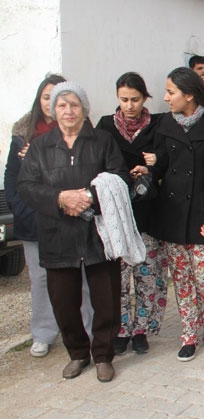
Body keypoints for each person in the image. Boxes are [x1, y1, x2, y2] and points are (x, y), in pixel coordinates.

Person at [17, 81, 131, 382]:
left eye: (74, 105)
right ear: (53, 110)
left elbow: (118, 176)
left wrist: (89, 197)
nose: (68, 110)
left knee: (106, 299)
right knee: (64, 302)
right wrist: (60, 199)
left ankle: (104, 355)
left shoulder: (103, 141)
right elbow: (26, 187)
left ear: (84, 109)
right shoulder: (40, 147)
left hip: (97, 232)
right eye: (62, 105)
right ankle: (78, 353)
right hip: (57, 234)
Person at [142, 67, 204, 361]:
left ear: (189, 95)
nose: (166, 97)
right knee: (182, 279)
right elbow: (162, 164)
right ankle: (189, 334)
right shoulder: (164, 124)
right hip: (173, 213)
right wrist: (146, 170)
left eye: (171, 92)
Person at [5, 73, 94, 358]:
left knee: (80, 277)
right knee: (42, 279)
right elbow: (13, 180)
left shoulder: (82, 132)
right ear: (41, 101)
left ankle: (88, 332)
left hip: (74, 218)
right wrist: (24, 211)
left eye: (60, 98)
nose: (54, 103)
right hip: (36, 220)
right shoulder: (23, 135)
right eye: (47, 97)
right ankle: (43, 332)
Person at [95, 72, 167, 355]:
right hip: (117, 216)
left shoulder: (159, 125)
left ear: (145, 98)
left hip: (149, 212)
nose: (129, 105)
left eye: (135, 99)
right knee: (119, 278)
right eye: (124, 99)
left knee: (148, 275)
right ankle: (121, 329)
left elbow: (169, 163)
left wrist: (154, 165)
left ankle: (142, 330)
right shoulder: (104, 127)